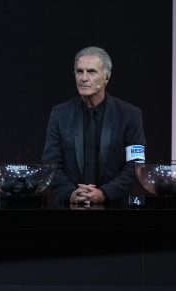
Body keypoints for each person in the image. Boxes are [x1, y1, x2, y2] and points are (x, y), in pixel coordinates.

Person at [42, 46, 145, 205]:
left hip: (115, 206)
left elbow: (136, 164)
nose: (83, 78)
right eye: (79, 71)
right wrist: (71, 193)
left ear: (107, 77)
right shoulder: (59, 114)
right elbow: (50, 163)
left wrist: (104, 193)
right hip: (70, 206)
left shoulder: (130, 114)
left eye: (91, 72)